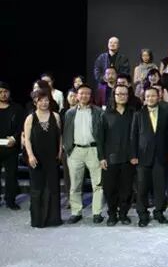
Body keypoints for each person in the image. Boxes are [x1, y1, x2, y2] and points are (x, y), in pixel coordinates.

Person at [130, 86, 168, 227]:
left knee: (160, 187)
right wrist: (133, 155)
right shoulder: (138, 114)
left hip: (161, 155)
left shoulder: (166, 112)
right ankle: (143, 214)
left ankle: (159, 212)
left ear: (158, 96)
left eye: (153, 96)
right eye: (147, 96)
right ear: (144, 98)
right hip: (142, 156)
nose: (150, 98)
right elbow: (134, 136)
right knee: (142, 187)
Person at [62, 84, 105, 224]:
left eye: (87, 93)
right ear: (77, 95)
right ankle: (76, 212)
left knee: (97, 184)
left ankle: (97, 213)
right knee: (75, 184)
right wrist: (68, 149)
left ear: (91, 96)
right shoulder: (69, 113)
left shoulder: (98, 112)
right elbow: (66, 131)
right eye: (81, 93)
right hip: (76, 151)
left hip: (93, 150)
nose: (84, 96)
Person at [23, 89, 62, 228]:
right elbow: (27, 139)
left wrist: (60, 151)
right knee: (37, 188)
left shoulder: (55, 116)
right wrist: (30, 155)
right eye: (41, 100)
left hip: (52, 157)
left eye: (46, 100)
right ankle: (38, 220)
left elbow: (60, 136)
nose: (44, 103)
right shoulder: (30, 118)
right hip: (36, 158)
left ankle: (53, 219)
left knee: (53, 187)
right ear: (35, 102)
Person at [99, 85, 136, 226]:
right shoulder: (106, 115)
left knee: (126, 189)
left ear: (128, 96)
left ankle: (123, 214)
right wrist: (101, 157)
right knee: (110, 189)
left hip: (128, 158)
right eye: (118, 94)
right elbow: (100, 138)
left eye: (124, 94)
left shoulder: (133, 113)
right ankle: (112, 214)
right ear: (113, 96)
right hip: (110, 158)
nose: (121, 96)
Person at [0, 82, 24, 209]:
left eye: (5, 91)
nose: (3, 94)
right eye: (0, 92)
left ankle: (10, 200)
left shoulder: (17, 108)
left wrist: (14, 138)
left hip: (11, 147)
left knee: (11, 175)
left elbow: (21, 127)